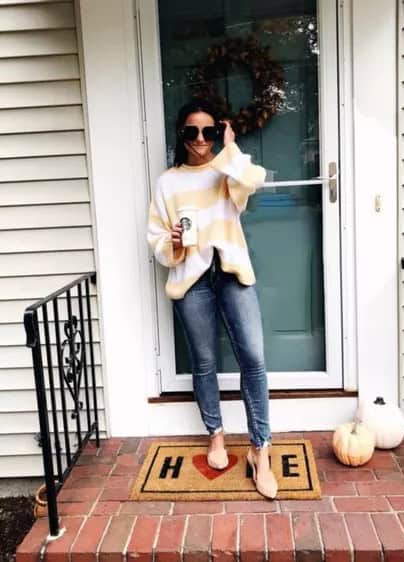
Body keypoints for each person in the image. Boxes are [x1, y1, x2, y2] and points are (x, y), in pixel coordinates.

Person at [147, 99, 277, 499]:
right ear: (181, 136)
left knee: (253, 358)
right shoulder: (168, 181)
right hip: (192, 279)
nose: (200, 139)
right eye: (191, 131)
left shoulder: (226, 171)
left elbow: (251, 181)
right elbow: (155, 236)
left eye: (209, 131)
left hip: (232, 273)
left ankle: (261, 449)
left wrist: (230, 146)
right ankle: (216, 435)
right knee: (204, 362)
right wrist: (169, 244)